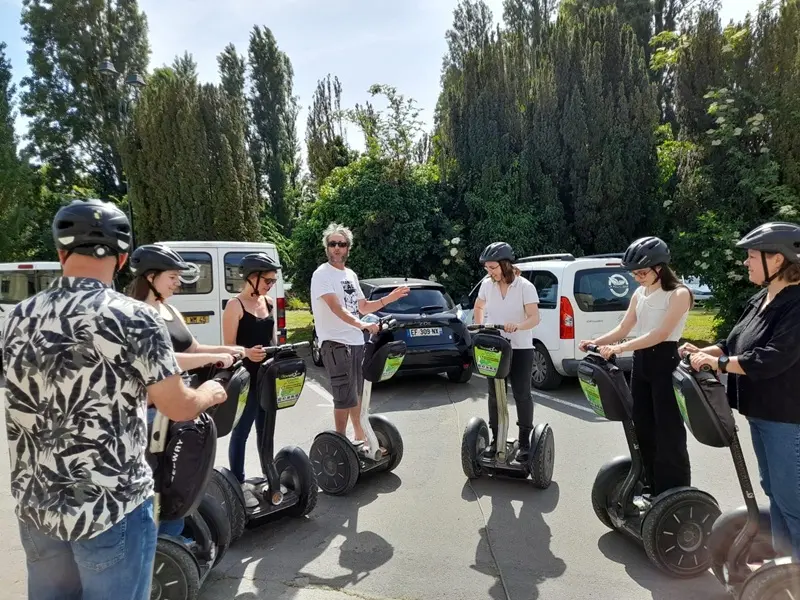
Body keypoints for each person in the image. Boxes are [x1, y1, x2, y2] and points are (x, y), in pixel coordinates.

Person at [1, 199, 226, 600]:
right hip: (110, 505)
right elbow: (176, 405)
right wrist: (208, 393)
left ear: (61, 253)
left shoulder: (17, 318)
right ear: (122, 259)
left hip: (38, 504)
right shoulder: (135, 318)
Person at [681, 222, 800, 559]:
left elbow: (772, 357)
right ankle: (787, 569)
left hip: (787, 417)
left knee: (793, 503)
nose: (746, 262)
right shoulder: (763, 297)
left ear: (777, 259)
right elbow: (733, 343)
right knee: (775, 493)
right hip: (761, 413)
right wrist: (703, 352)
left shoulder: (796, 304)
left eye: (751, 255)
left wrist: (718, 364)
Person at [127, 243, 242, 538]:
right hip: (150, 413)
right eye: (172, 277)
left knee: (181, 478)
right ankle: (164, 542)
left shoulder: (169, 310)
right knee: (159, 483)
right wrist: (210, 359)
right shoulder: (137, 314)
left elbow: (192, 349)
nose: (178, 283)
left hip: (176, 403)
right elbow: (162, 361)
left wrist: (227, 350)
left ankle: (176, 537)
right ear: (150, 276)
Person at [579, 236, 693, 496]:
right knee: (642, 427)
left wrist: (619, 348)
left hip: (665, 362)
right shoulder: (639, 293)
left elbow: (661, 333)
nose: (637, 278)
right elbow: (624, 327)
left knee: (668, 431)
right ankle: (650, 484)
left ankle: (676, 491)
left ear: (659, 268)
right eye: (634, 274)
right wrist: (596, 342)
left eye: (642, 272)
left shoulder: (679, 294)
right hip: (641, 364)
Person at [310, 223, 409, 451]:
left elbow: (362, 306)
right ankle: (340, 446)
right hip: (335, 343)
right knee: (344, 396)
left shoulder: (350, 275)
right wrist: (361, 324)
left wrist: (390, 298)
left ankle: (361, 439)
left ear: (348, 248)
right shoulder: (321, 274)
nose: (337, 248)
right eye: (332, 244)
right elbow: (336, 307)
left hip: (355, 342)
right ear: (327, 248)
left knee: (356, 395)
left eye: (341, 244)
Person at [472, 242, 541, 461]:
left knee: (521, 394)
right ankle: (496, 440)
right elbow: (478, 306)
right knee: (494, 395)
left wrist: (518, 326)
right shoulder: (487, 285)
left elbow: (534, 318)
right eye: (487, 268)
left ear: (505, 264)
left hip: (520, 348)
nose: (489, 272)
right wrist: (480, 327)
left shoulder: (524, 286)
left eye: (493, 267)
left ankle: (524, 443)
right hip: (494, 347)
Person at [221, 252, 280, 507]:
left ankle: (269, 476)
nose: (271, 285)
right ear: (252, 277)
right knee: (242, 431)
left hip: (268, 377)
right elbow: (228, 347)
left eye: (273, 281)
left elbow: (273, 340)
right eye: (268, 280)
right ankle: (238, 483)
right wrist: (246, 353)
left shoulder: (269, 302)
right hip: (246, 379)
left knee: (266, 432)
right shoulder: (235, 306)